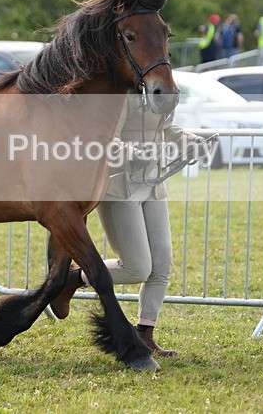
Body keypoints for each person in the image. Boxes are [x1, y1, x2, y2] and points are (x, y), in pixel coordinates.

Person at [49, 94, 206, 357]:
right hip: (119, 188)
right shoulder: (118, 94)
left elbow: (164, 127)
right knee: (137, 268)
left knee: (161, 265)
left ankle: (145, 334)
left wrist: (191, 141)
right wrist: (132, 153)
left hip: (152, 184)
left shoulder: (156, 87)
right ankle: (72, 278)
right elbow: (105, 139)